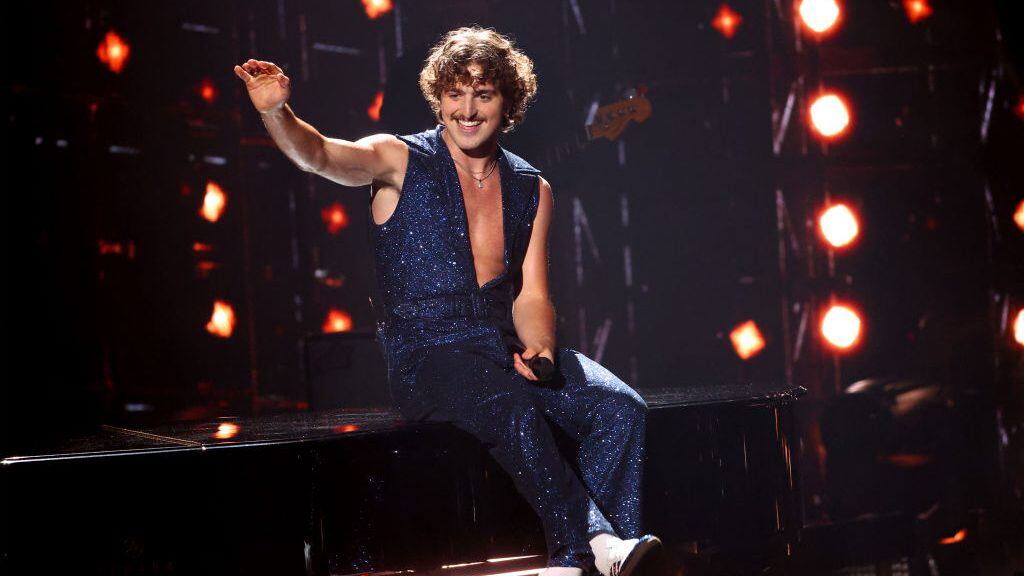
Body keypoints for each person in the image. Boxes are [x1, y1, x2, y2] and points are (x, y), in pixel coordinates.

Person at [234, 26, 661, 576]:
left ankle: (585, 562)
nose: (467, 109)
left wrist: (541, 351)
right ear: (438, 97)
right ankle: (594, 548)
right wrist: (277, 113)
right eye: (455, 93)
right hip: (427, 355)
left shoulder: (533, 186)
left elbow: (532, 294)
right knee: (509, 405)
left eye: (483, 94)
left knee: (619, 408)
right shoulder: (397, 159)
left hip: (501, 345)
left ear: (507, 102)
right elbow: (319, 155)